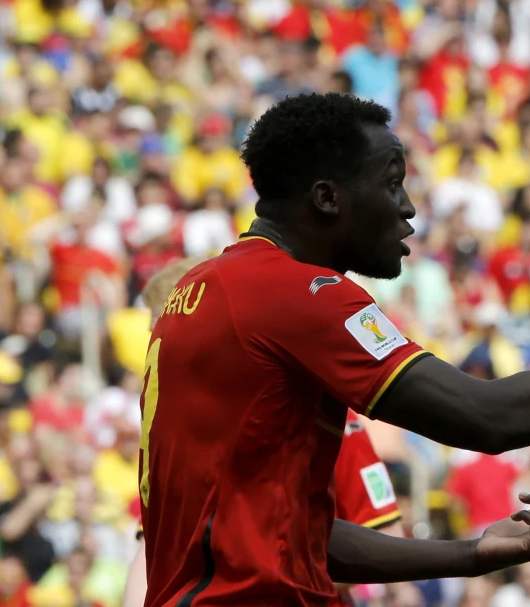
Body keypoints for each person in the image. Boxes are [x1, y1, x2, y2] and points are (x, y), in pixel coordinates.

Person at [139, 93, 530, 605]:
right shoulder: (296, 293)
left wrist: (474, 554)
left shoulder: (199, 291)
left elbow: (300, 537)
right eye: (391, 183)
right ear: (326, 198)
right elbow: (488, 417)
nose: (408, 206)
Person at [123, 256, 409, 607]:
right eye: (156, 333)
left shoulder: (315, 413)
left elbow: (383, 529)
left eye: (168, 332)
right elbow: (151, 548)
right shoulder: (177, 421)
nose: (161, 346)